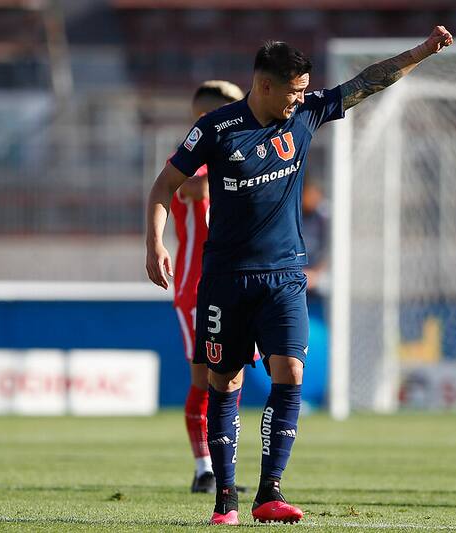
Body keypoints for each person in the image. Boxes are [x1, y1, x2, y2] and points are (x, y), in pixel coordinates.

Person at [146, 27, 454, 525]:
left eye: (303, 90)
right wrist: (154, 243)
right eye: (292, 91)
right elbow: (165, 185)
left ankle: (269, 493)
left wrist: (422, 51)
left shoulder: (307, 114)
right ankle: (225, 499)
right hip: (226, 278)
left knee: (290, 373)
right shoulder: (217, 130)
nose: (299, 99)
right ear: (265, 86)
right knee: (223, 383)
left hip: (285, 276)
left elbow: (368, 82)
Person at [170, 80, 244, 493]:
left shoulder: (243, 154)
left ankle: (224, 467)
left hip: (241, 281)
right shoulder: (192, 159)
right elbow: (188, 189)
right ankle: (204, 468)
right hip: (197, 286)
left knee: (232, 380)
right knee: (205, 380)